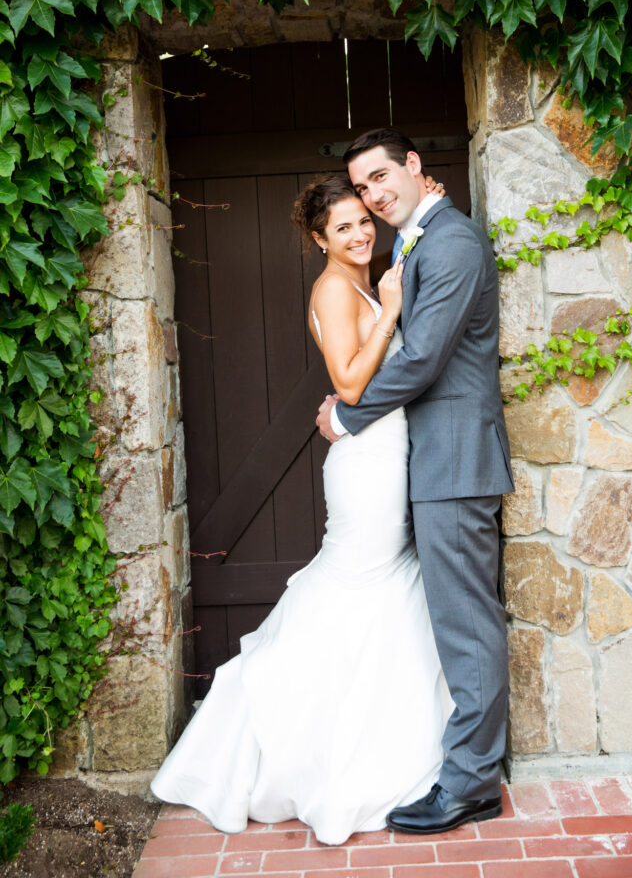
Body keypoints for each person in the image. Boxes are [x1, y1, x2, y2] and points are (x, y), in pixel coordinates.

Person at [150, 173, 453, 846]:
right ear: (319, 239)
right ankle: (285, 738)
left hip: (386, 452)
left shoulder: (371, 282)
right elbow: (347, 382)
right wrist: (394, 311)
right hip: (365, 465)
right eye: (342, 226)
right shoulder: (333, 289)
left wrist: (421, 204)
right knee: (356, 587)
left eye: (363, 221)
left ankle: (380, 742)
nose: (359, 233)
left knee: (378, 593)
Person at [317, 128, 514, 836]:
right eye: (363, 187)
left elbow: (426, 355)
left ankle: (468, 785)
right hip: (434, 459)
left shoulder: (452, 242)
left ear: (415, 168)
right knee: (456, 621)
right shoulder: (418, 241)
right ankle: (470, 773)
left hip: (456, 461)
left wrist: (348, 415)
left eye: (381, 177)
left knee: (466, 625)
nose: (374, 193)